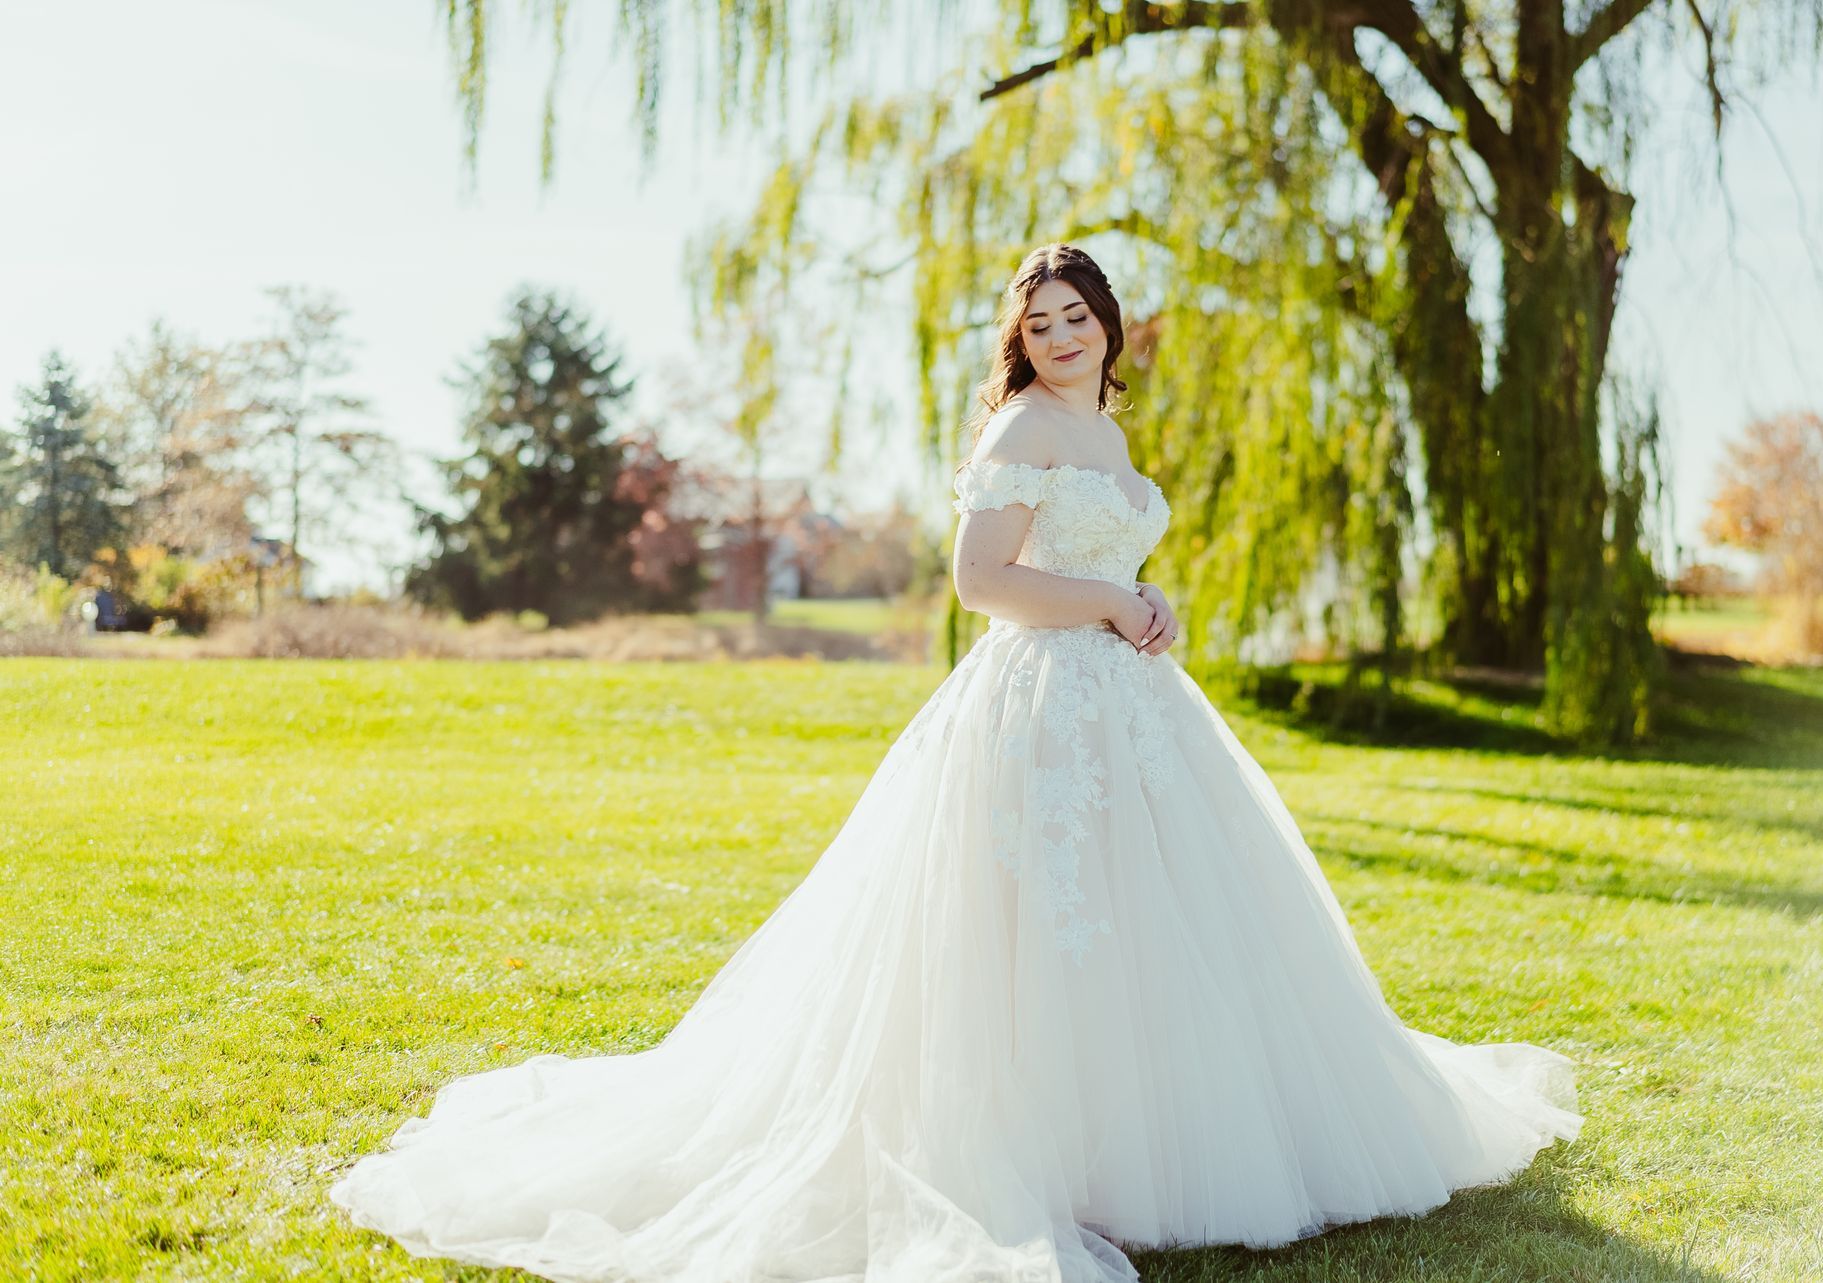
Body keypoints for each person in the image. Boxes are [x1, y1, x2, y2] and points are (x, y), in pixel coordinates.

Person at [328, 243, 1582, 1283]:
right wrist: (1110, 600)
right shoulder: (1021, 426)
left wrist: (1145, 603)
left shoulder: (1105, 429)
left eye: (1077, 316)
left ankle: (1159, 1139)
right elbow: (984, 581)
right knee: (1044, 926)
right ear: (1020, 342)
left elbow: (1099, 564)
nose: (1061, 336)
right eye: (1039, 323)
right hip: (1043, 708)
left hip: (1133, 704)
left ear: (1110, 324)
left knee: (1161, 916)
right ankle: (1047, 1152)